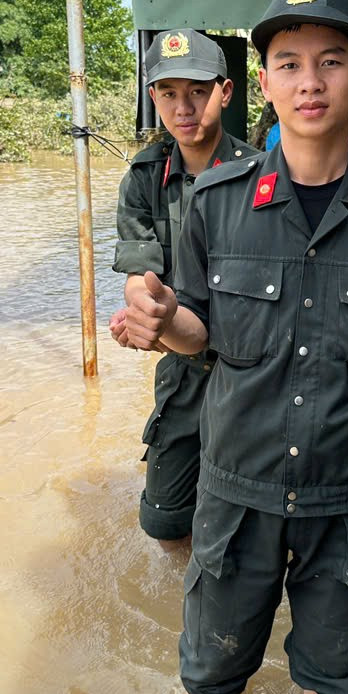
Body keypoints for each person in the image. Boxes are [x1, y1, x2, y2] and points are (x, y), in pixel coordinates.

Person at [123, 0, 348, 694]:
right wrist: (165, 317)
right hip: (238, 489)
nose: (312, 81)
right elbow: (197, 334)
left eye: (332, 61)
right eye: (292, 63)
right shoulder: (218, 201)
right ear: (264, 84)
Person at [110, 28, 257, 551]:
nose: (183, 107)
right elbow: (138, 273)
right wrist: (144, 315)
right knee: (166, 526)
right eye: (169, 93)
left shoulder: (258, 176)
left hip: (251, 367)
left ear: (225, 91)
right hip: (185, 363)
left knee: (250, 521)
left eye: (196, 90)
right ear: (153, 99)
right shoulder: (144, 178)